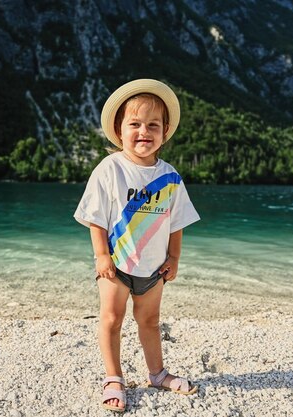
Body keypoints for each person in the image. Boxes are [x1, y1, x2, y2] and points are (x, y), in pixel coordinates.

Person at [74, 79, 201, 412]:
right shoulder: (110, 169)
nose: (144, 131)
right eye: (134, 124)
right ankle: (113, 378)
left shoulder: (170, 177)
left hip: (153, 269)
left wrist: (174, 258)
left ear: (165, 131)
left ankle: (157, 374)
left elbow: (177, 223)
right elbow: (96, 218)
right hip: (115, 265)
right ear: (119, 131)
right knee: (111, 319)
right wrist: (101, 255)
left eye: (153, 125)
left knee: (150, 322)